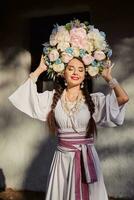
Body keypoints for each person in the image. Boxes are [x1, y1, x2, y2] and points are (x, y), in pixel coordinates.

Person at [8, 19, 129, 200]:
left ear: (84, 75)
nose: (75, 72)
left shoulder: (93, 101)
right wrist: (39, 70)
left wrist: (108, 78)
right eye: (70, 68)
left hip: (87, 159)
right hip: (62, 161)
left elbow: (123, 98)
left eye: (80, 69)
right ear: (63, 73)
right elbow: (25, 98)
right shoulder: (52, 99)